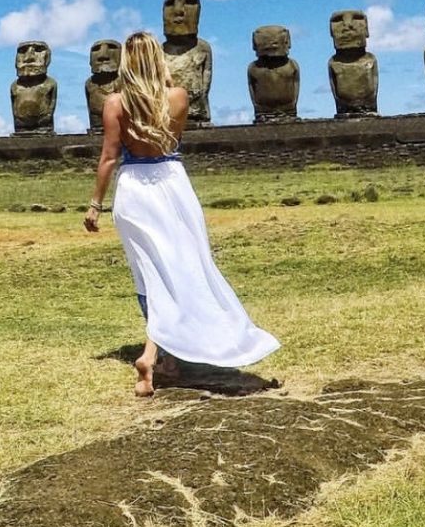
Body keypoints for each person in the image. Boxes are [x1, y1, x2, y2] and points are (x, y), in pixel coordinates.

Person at [84, 31, 279, 397]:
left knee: (149, 273)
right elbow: (171, 141)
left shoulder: (115, 103)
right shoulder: (176, 96)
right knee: (183, 265)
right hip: (171, 182)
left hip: (134, 188)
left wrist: (95, 203)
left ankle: (160, 355)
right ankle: (163, 355)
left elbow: (109, 156)